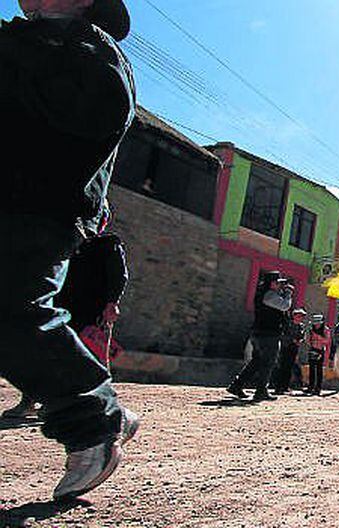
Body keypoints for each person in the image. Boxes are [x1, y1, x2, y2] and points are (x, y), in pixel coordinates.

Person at [0, 0, 140, 500]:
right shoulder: (27, 42)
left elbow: (96, 114)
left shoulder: (88, 48)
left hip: (36, 208)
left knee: (11, 309)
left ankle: (94, 419)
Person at [3, 229, 129, 420]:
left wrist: (112, 302)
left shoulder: (108, 244)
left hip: (90, 309)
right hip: (60, 303)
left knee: (79, 356)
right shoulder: (67, 237)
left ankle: (85, 406)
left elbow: (118, 275)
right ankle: (30, 401)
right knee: (42, 350)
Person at [226, 272, 294, 402]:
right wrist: (288, 294)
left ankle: (237, 385)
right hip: (268, 334)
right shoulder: (269, 295)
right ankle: (261, 391)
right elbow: (285, 306)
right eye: (277, 282)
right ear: (271, 283)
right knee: (268, 363)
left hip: (261, 333)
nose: (279, 285)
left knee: (256, 362)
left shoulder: (266, 294)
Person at [272, 308, 307, 395]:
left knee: (289, 367)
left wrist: (300, 341)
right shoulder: (288, 324)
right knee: (282, 367)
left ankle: (285, 386)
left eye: (302, 316)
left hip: (294, 348)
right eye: (299, 316)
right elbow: (283, 335)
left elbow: (302, 336)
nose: (300, 318)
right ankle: (278, 387)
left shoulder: (301, 326)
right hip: (285, 347)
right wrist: (292, 340)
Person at [306, 314, 329, 396]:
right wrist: (311, 343)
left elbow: (327, 341)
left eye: (318, 323)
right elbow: (307, 339)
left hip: (320, 350)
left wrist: (318, 337)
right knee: (312, 369)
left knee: (319, 370)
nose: (316, 325)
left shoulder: (325, 330)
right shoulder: (311, 330)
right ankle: (310, 386)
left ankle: (318, 388)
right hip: (312, 350)